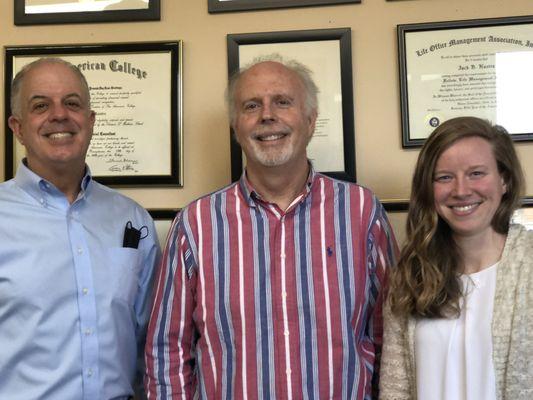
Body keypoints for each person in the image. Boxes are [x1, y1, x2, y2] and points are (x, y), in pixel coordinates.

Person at [145, 54, 398, 399]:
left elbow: (393, 338)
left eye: (282, 102)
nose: (267, 115)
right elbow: (167, 351)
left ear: (310, 120)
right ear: (236, 128)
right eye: (252, 106)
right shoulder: (195, 225)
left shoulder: (362, 213)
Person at [0, 58, 160, 400]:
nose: (59, 114)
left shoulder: (132, 220)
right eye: (40, 105)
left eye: (72, 103)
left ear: (90, 121)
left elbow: (154, 342)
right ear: (18, 127)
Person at [379, 117, 532, 400]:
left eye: (476, 173)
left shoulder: (529, 267)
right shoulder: (411, 275)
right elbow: (394, 389)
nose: (461, 191)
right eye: (444, 177)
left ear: (505, 180)